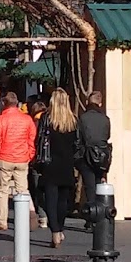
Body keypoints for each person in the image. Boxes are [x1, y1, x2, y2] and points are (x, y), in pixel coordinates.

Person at [37, 87, 78, 248]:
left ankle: (54, 231)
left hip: (50, 163)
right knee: (63, 200)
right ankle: (59, 229)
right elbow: (77, 144)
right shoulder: (73, 120)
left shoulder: (46, 118)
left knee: (49, 199)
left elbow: (40, 140)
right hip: (67, 164)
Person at [0, 91, 37, 231]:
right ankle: (25, 218)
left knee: (2, 191)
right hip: (22, 158)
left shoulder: (0, 120)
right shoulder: (27, 119)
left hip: (5, 157)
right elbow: (31, 139)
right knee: (22, 189)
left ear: (4, 104)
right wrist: (30, 155)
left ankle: (2, 221)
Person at [78, 90, 112, 227]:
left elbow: (79, 137)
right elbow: (107, 136)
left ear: (88, 102)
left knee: (89, 186)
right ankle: (99, 215)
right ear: (100, 103)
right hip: (101, 155)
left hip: (86, 154)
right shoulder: (105, 119)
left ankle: (91, 217)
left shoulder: (83, 118)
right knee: (99, 184)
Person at [27, 97, 48, 229]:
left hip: (35, 160)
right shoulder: (49, 123)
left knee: (37, 189)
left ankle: (42, 215)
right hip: (49, 160)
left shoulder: (32, 123)